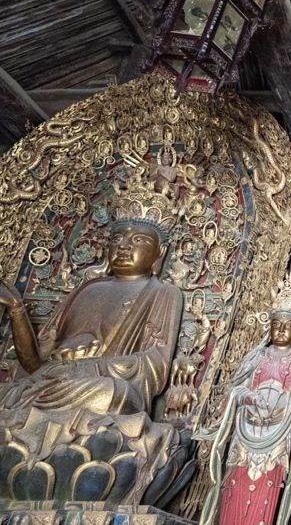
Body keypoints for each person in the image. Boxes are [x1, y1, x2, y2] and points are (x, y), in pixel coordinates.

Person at [0, 174, 184, 418]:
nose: (124, 246)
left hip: (97, 385)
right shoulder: (87, 289)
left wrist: (88, 366)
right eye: (117, 239)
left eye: (138, 240)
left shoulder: (163, 293)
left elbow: (156, 364)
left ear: (159, 253)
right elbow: (35, 364)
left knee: (114, 394)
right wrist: (16, 309)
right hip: (50, 381)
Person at [199, 272, 291, 525]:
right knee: (234, 489)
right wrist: (250, 399)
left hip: (276, 440)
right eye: (277, 324)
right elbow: (236, 390)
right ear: (269, 326)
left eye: (288, 326)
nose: (281, 330)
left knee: (266, 496)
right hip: (245, 437)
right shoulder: (256, 358)